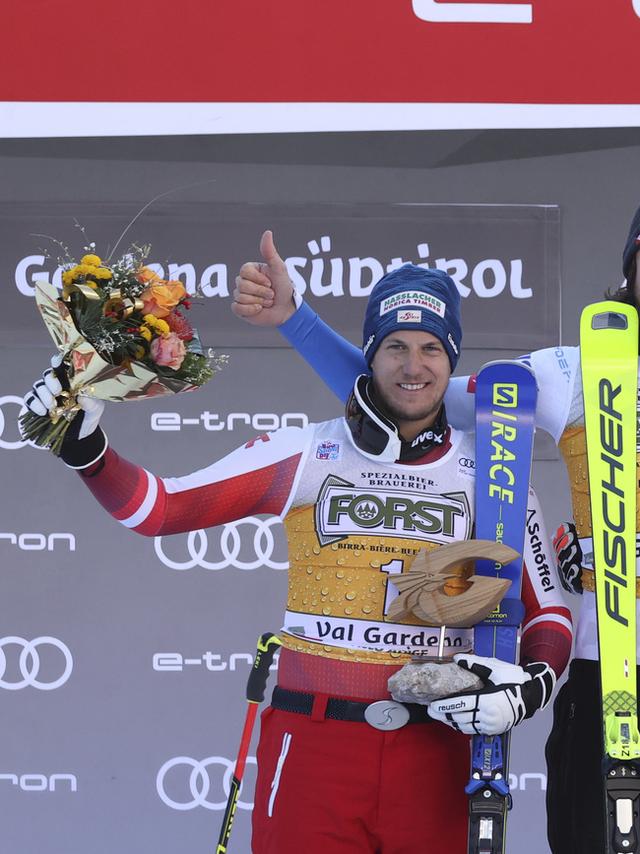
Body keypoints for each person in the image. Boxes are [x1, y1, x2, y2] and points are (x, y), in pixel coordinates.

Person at [231, 184, 640, 853]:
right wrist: (295, 319)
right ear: (631, 267)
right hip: (608, 684)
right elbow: (402, 395)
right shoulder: (571, 372)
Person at [23, 260, 573, 853]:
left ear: (451, 359)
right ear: (368, 354)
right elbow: (160, 509)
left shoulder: (494, 475)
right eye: (394, 346)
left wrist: (531, 686)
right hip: (315, 743)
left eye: (430, 348)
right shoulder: (310, 451)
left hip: (437, 749)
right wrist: (86, 451)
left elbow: (547, 613)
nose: (413, 366)